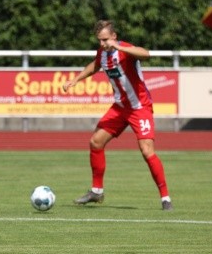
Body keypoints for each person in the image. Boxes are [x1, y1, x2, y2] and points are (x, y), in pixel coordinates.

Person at [62, 19, 173, 211]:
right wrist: (76, 79)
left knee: (147, 151)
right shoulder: (102, 53)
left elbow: (146, 54)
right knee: (96, 142)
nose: (103, 44)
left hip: (140, 107)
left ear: (114, 36)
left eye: (106, 39)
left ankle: (165, 198)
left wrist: (121, 48)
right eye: (100, 40)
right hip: (120, 107)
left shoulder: (125, 50)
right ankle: (96, 191)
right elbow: (95, 65)